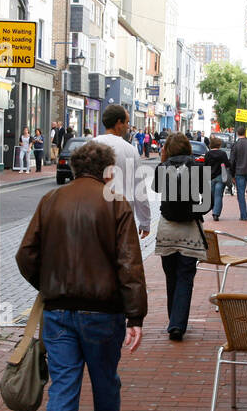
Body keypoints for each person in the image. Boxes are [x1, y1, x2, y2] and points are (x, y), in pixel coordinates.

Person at [16, 141, 146, 411]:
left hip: (58, 312)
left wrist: (49, 284)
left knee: (63, 390)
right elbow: (129, 265)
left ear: (74, 168)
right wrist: (135, 315)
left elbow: (26, 254)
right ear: (108, 170)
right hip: (103, 312)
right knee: (105, 381)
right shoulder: (115, 202)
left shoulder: (51, 201)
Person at [153, 133, 209, 340]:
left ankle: (173, 320)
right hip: (189, 231)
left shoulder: (162, 168)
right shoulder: (198, 168)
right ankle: (177, 324)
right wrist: (195, 212)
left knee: (171, 277)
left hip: (167, 229)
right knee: (185, 277)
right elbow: (207, 202)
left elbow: (157, 188)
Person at [93, 103, 151, 239]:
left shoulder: (90, 145)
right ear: (119, 123)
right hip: (122, 216)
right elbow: (139, 188)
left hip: (94, 214)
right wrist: (145, 221)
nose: (128, 126)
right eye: (127, 122)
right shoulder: (130, 150)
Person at [205, 136, 231, 222]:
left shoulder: (208, 154)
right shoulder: (222, 154)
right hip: (220, 176)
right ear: (219, 145)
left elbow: (205, 166)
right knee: (218, 195)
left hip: (210, 177)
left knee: (212, 195)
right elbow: (227, 164)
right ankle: (216, 214)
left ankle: (213, 209)